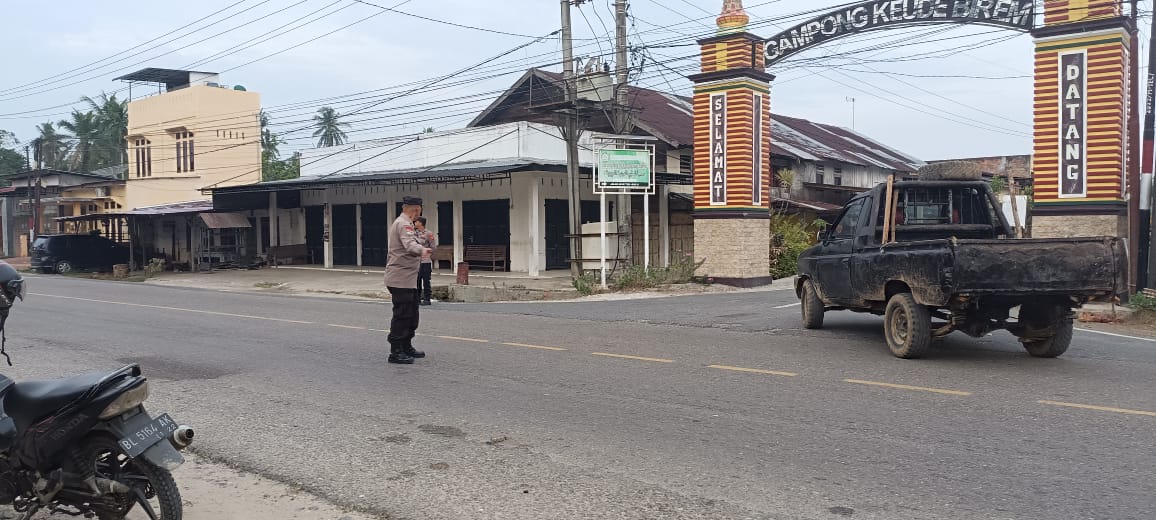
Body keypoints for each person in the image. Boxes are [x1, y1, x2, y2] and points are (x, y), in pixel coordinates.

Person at [384, 196, 432, 365]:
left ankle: (406, 345)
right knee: (402, 314)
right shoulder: (403, 224)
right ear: (416, 209)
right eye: (418, 209)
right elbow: (409, 245)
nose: (418, 212)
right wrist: (422, 250)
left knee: (412, 314)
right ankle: (396, 350)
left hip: (408, 279)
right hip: (400, 278)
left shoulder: (407, 223)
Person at [414, 216, 436, 306]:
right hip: (415, 261)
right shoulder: (414, 234)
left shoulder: (428, 234)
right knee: (416, 281)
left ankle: (427, 299)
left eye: (416, 222)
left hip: (425, 261)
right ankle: (417, 299)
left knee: (426, 281)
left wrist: (426, 251)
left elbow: (433, 247)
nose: (415, 223)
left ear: (420, 223)